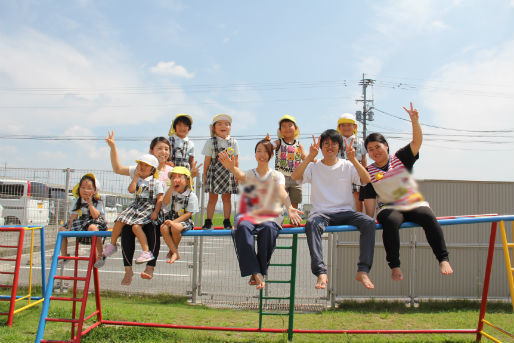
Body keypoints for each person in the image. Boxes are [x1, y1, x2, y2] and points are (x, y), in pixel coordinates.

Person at [361, 102, 453, 281]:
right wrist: (369, 218)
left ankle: (443, 259)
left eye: (377, 147)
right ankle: (394, 266)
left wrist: (414, 121)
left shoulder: (401, 157)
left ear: (386, 146)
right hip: (389, 207)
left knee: (428, 216)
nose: (374, 152)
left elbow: (416, 142)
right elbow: (369, 197)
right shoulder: (368, 171)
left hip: (413, 203)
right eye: (370, 150)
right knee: (390, 222)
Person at [291, 129, 376, 290]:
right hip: (321, 213)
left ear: (340, 147)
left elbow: (366, 180)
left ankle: (363, 270)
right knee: (311, 224)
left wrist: (354, 160)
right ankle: (321, 272)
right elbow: (295, 177)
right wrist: (309, 156)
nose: (330, 147)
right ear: (321, 147)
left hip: (345, 211)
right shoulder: (313, 167)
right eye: (326, 144)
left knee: (369, 222)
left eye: (334, 144)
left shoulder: (348, 165)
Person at [218, 139, 303, 290]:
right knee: (242, 226)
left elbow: (282, 192)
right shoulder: (251, 173)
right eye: (259, 151)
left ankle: (256, 271)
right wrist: (231, 168)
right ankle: (257, 272)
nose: (262, 154)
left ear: (271, 155)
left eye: (265, 151)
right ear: (255, 154)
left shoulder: (277, 175)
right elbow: (241, 175)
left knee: (269, 229)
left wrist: (289, 207)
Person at [104, 132, 169, 283]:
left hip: (155, 213)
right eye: (159, 148)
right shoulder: (139, 170)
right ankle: (127, 268)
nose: (163, 152)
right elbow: (118, 169)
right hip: (137, 210)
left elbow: (183, 181)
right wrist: (113, 146)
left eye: (167, 149)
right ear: (151, 150)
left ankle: (149, 267)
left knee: (152, 227)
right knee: (125, 226)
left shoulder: (171, 171)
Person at [59, 173, 107, 268]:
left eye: (89, 188)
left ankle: (101, 255)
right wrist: (69, 227)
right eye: (82, 187)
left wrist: (90, 203)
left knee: (92, 228)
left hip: (94, 221)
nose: (85, 190)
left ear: (94, 191)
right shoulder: (78, 200)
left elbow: (95, 215)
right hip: (81, 222)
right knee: (61, 230)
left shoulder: (98, 200)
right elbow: (74, 215)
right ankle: (64, 256)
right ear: (79, 189)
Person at [202, 114, 239, 229]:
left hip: (228, 172)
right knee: (212, 198)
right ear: (213, 128)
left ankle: (227, 221)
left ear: (230, 128)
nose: (223, 126)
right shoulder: (210, 142)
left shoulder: (233, 142)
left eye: (226, 124)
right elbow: (207, 159)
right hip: (214, 172)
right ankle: (208, 221)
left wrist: (236, 173)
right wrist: (205, 174)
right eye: (219, 124)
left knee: (226, 198)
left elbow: (236, 159)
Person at [264, 115, 307, 209]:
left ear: (295, 128)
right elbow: (270, 146)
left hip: (296, 177)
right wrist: (266, 142)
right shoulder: (279, 142)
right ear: (280, 130)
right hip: (281, 176)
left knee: (295, 201)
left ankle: (294, 220)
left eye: (290, 125)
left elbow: (304, 157)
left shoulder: (299, 144)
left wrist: (313, 158)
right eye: (284, 126)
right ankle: (278, 219)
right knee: (279, 200)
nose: (287, 128)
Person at [160, 166, 199, 265]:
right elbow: (165, 202)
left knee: (175, 228)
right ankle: (175, 252)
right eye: (173, 177)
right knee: (163, 228)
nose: (175, 180)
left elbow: (188, 214)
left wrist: (173, 223)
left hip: (185, 221)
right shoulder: (170, 192)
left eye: (179, 177)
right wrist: (171, 188)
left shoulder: (191, 195)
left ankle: (173, 251)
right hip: (171, 218)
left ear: (187, 181)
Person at [337, 113, 367, 212]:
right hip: (340, 171)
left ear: (354, 126)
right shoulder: (336, 141)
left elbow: (363, 157)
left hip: (356, 171)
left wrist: (365, 171)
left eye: (349, 125)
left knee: (358, 194)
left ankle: (359, 214)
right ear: (339, 128)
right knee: (340, 194)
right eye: (343, 125)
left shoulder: (360, 141)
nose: (346, 127)